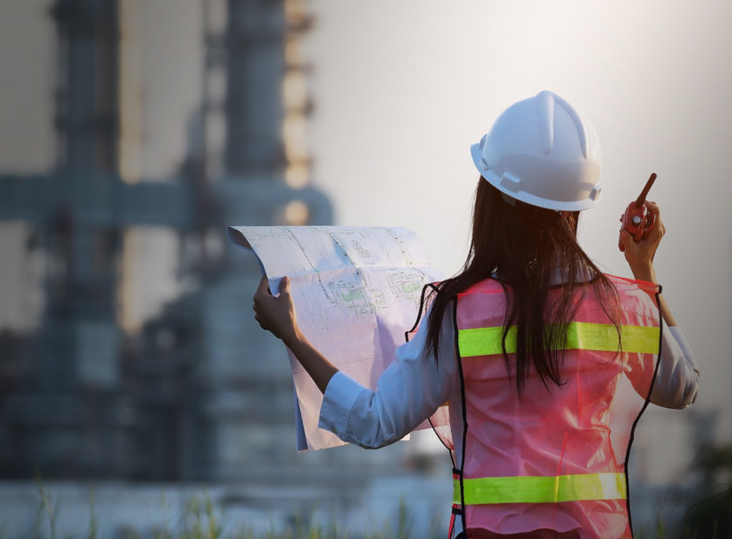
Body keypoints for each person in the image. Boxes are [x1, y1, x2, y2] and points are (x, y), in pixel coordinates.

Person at [252, 91, 699, 539]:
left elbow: (373, 421)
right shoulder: (623, 306)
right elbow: (683, 386)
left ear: (496, 198)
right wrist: (643, 268)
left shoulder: (459, 313)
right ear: (580, 205)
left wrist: (293, 334)